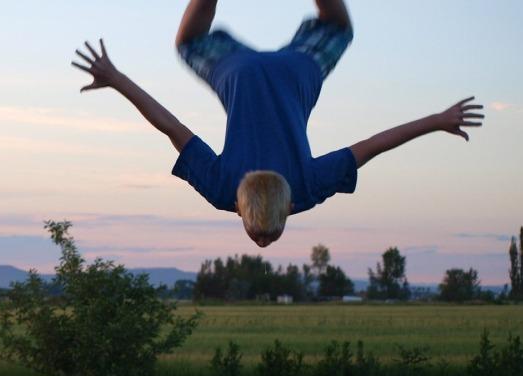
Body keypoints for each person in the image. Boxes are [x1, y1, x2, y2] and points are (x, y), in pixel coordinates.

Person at [72, 0, 484, 247]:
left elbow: (372, 145)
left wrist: (437, 120)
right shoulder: (222, 189)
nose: (264, 243)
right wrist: (118, 79)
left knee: (339, 26)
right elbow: (171, 127)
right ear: (242, 205)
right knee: (187, 42)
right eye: (267, 235)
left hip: (297, 71)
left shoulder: (306, 188)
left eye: (260, 236)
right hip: (239, 72)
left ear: (286, 207)